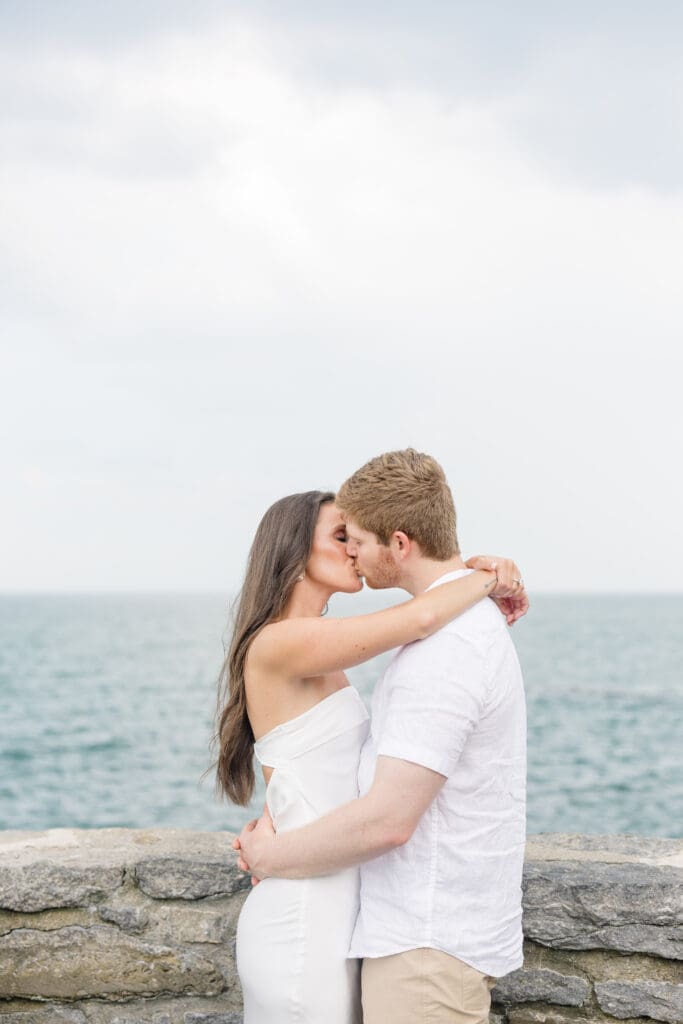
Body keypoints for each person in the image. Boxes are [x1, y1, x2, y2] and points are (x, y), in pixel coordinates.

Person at [235, 450, 528, 1024]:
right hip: (305, 909)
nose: (352, 548)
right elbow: (418, 618)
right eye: (340, 535)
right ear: (294, 554)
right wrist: (490, 577)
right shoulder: (280, 643)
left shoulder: (326, 644)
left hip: (346, 911)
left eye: (357, 536)